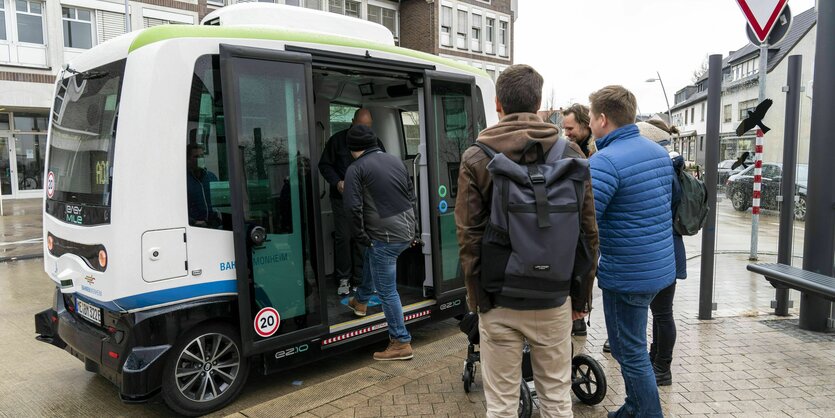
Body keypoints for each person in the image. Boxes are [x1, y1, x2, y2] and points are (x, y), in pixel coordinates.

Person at [455, 64, 599, 418]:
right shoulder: (571, 155)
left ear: (498, 103)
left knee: (502, 405)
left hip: (500, 298)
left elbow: (469, 236)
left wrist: (478, 300)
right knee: (556, 399)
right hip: (553, 297)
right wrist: (580, 298)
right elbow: (588, 233)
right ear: (538, 103)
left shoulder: (477, 156)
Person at [588, 85, 675, 418]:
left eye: (593, 117)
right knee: (634, 348)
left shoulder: (605, 161)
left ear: (603, 119)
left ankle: (648, 414)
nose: (593, 124)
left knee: (631, 352)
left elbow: (586, 223)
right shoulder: (656, 152)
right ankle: (632, 408)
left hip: (626, 275)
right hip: (657, 269)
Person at [343, 124, 417, 361]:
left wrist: (360, 236)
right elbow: (411, 194)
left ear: (354, 149)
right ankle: (361, 301)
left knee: (387, 291)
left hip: (385, 238)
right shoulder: (395, 161)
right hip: (406, 231)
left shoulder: (356, 168)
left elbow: (352, 207)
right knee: (371, 256)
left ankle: (400, 341)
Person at [318, 108, 384, 296]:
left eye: (369, 126)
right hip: (341, 198)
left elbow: (381, 164)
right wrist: (337, 182)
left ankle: (360, 279)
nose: (365, 129)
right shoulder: (337, 141)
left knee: (362, 238)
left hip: (366, 199)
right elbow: (324, 165)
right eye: (361, 125)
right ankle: (343, 278)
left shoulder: (375, 142)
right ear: (353, 121)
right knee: (343, 237)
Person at [560, 103, 597, 338]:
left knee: (585, 264)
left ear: (585, 125)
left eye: (570, 128)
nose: (566, 133)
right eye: (564, 129)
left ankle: (580, 315)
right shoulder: (569, 150)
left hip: (589, 222)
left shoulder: (595, 153)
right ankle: (578, 319)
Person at [186, 143, 219, 227]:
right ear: (188, 159)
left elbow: (219, 202)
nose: (200, 159)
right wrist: (193, 222)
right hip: (195, 228)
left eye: (202, 156)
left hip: (214, 226)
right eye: (196, 157)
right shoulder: (184, 181)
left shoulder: (211, 177)